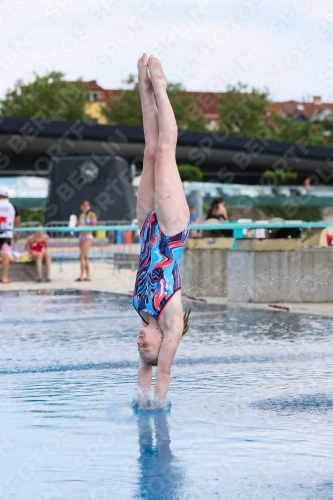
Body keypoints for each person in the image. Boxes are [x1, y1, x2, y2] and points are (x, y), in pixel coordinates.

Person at [132, 54, 190, 406]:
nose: (139, 342)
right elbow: (161, 373)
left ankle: (143, 87)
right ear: (162, 346)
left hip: (146, 229)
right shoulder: (171, 323)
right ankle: (162, 88)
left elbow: (144, 373)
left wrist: (139, 400)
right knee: (166, 150)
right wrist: (156, 406)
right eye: (144, 347)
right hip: (170, 232)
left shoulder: (143, 312)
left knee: (150, 151)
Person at [0, 186, 20, 284]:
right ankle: (4, 278)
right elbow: (18, 221)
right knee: (6, 256)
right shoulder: (12, 206)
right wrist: (17, 234)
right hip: (7, 234)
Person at [76, 200, 97, 281]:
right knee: (85, 257)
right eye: (84, 205)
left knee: (81, 256)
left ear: (89, 206)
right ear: (81, 206)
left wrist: (82, 225)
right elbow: (80, 225)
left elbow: (94, 224)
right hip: (81, 236)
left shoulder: (91, 214)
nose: (85, 207)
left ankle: (81, 275)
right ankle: (88, 275)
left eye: (87, 205)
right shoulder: (81, 215)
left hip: (88, 236)